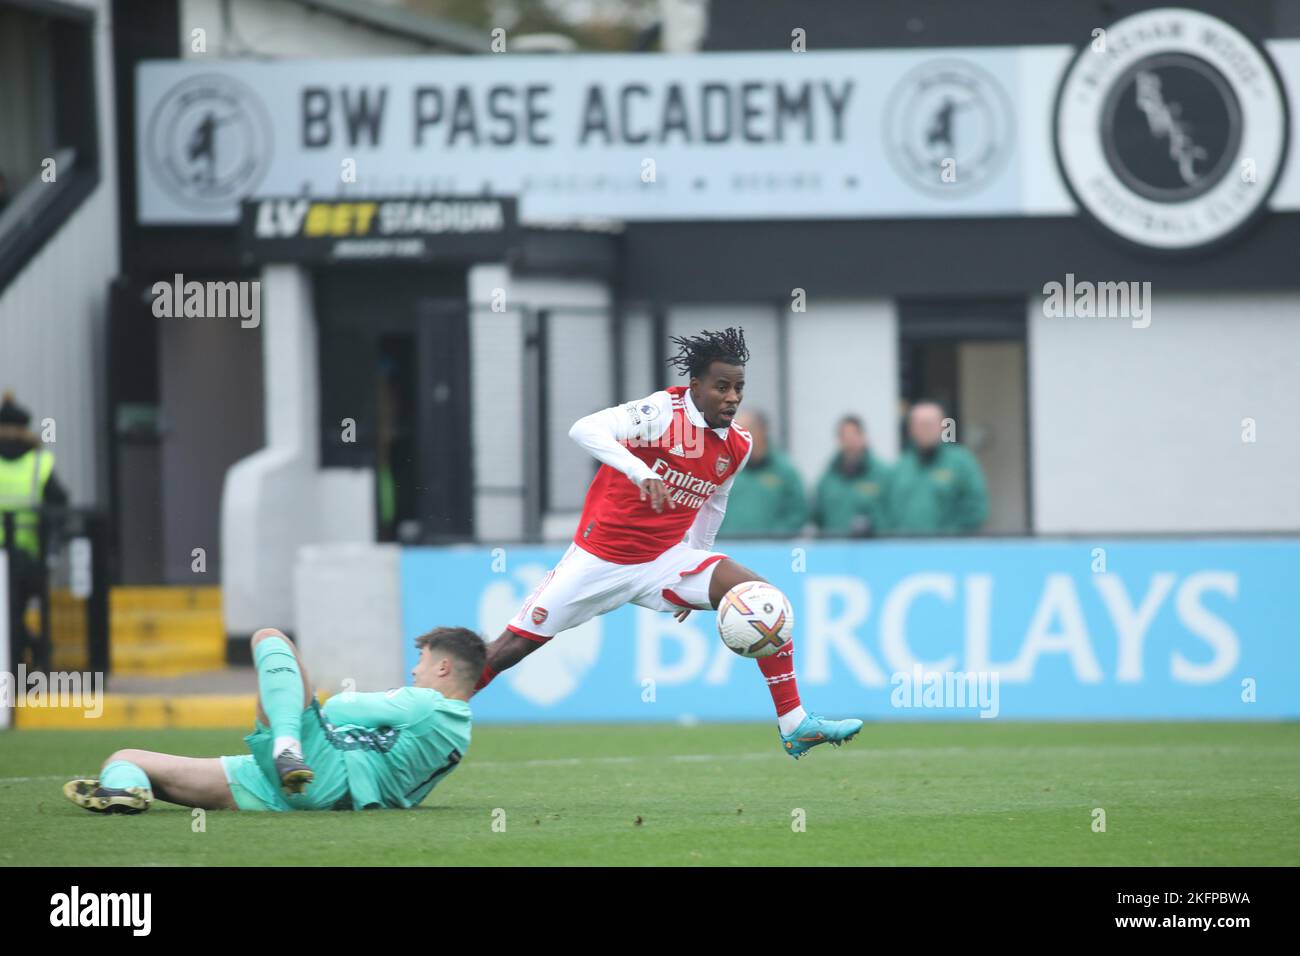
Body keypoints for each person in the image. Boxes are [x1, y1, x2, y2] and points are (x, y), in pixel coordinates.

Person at [476, 328, 861, 759]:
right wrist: (640, 472)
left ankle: (794, 724)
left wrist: (696, 560)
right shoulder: (660, 413)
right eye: (721, 387)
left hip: (664, 559)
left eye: (739, 388)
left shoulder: (738, 444)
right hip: (599, 559)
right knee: (511, 648)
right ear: (695, 386)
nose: (732, 398)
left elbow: (714, 503)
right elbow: (583, 430)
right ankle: (430, 710)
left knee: (760, 597)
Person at [62, 626, 483, 813]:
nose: (414, 671)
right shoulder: (459, 732)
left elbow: (335, 707)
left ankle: (285, 746)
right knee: (127, 757)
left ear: (443, 668)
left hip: (326, 767)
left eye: (422, 661)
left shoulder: (426, 703)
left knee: (270, 638)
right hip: (302, 789)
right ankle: (125, 792)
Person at [0, 390, 68, 671]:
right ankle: (32, 653)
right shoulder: (40, 462)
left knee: (8, 616)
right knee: (13, 614)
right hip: (29, 558)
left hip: (2, 559)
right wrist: (52, 548)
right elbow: (60, 505)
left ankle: (19, 663)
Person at [884, 401, 989, 534]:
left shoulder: (961, 463)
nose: (926, 429)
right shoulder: (900, 467)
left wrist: (949, 537)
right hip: (906, 549)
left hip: (950, 549)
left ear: (942, 427)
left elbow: (976, 508)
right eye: (921, 425)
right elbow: (886, 510)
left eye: (930, 424)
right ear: (911, 429)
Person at [717, 409, 807, 538]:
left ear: (762, 431)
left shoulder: (784, 471)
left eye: (744, 430)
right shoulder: (722, 467)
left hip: (771, 552)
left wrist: (775, 538)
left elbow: (797, 512)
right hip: (728, 548)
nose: (736, 436)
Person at [812, 415, 891, 536]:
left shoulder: (883, 476)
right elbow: (817, 516)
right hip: (835, 550)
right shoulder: (827, 479)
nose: (850, 443)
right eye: (845, 437)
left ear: (863, 437)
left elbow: (893, 516)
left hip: (872, 551)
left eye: (854, 436)